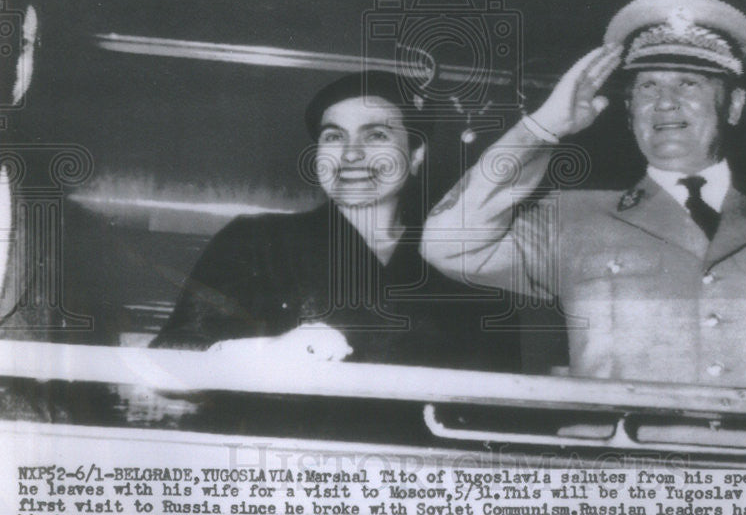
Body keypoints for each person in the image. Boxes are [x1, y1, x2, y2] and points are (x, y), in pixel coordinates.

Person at [421, 0, 746, 468]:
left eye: (689, 83)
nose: (664, 103)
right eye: (646, 88)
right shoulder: (573, 217)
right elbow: (447, 245)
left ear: (733, 105)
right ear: (629, 113)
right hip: (628, 491)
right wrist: (545, 125)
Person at [152, 71, 519, 372]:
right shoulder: (254, 241)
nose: (352, 153)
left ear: (416, 155)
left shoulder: (471, 258)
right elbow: (167, 361)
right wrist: (262, 353)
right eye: (333, 137)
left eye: (376, 135)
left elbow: (503, 399)